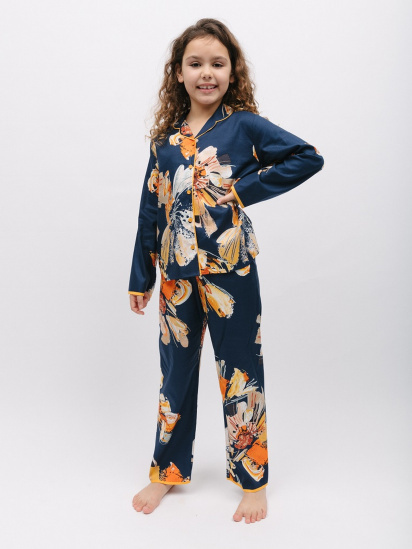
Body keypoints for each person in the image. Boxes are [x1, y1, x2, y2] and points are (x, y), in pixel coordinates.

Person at [128, 18, 324, 524]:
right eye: (195, 64)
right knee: (175, 373)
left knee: (240, 372)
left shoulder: (245, 125)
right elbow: (150, 209)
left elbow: (307, 157)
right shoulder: (165, 140)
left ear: (232, 72)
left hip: (230, 272)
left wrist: (244, 189)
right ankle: (168, 471)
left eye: (217, 64)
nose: (206, 73)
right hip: (175, 276)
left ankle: (252, 481)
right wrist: (140, 277)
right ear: (178, 73)